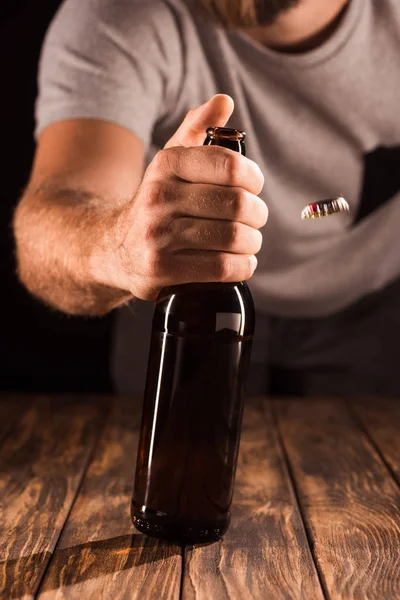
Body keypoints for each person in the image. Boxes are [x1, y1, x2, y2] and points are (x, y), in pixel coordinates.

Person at [13, 0, 400, 397]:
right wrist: (121, 249)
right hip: (185, 307)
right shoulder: (114, 14)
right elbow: (50, 223)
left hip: (370, 316)